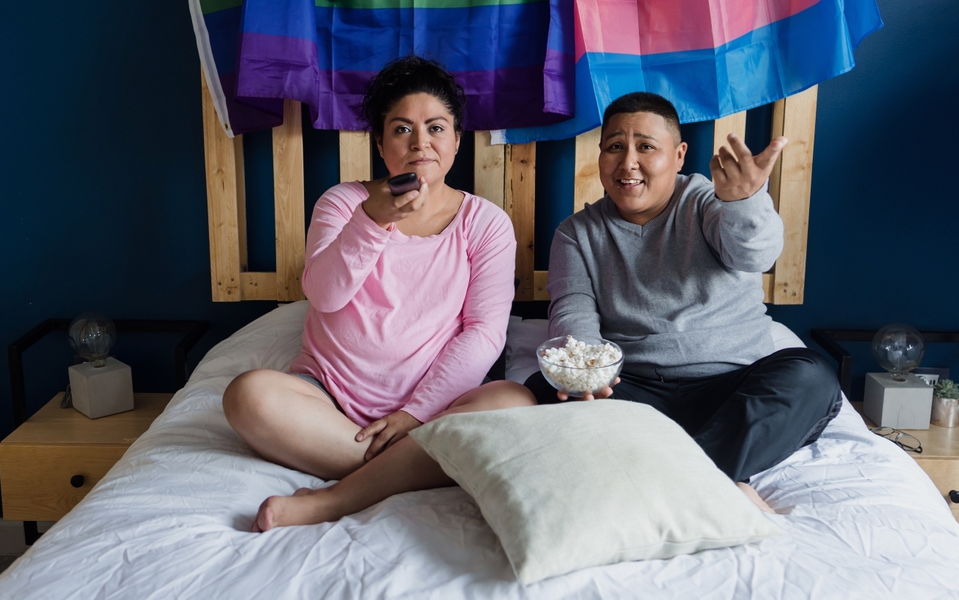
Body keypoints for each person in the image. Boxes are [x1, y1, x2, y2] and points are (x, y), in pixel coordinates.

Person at [223, 56, 535, 531]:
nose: (420, 144)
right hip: (330, 406)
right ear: (381, 142)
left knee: (515, 402)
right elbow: (324, 296)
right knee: (247, 396)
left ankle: (331, 500)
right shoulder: (344, 202)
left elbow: (484, 334)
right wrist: (373, 220)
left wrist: (415, 414)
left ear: (456, 139)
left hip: (434, 410)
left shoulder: (485, 223)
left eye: (435, 128)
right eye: (402, 129)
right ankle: (412, 467)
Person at [525, 92, 841, 509]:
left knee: (812, 374)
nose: (628, 163)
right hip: (634, 391)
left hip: (732, 388)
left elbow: (755, 254)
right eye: (615, 147)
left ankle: (667, 482)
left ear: (678, 155)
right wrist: (586, 377)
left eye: (646, 147)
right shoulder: (576, 232)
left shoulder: (709, 203)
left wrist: (744, 202)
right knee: (539, 391)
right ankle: (713, 480)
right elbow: (573, 312)